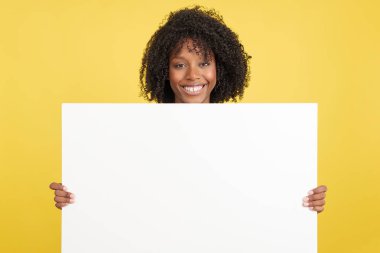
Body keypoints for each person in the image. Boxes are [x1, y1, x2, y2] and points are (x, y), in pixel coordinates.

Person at [50, 6, 327, 213]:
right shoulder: (135, 133)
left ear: (220, 68)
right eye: (180, 65)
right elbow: (120, 193)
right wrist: (77, 197)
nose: (193, 75)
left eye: (204, 63)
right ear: (164, 71)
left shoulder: (249, 136)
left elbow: (259, 194)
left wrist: (301, 199)